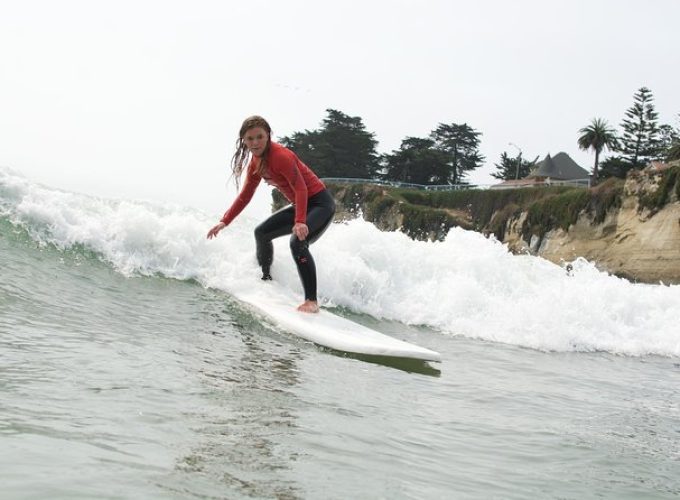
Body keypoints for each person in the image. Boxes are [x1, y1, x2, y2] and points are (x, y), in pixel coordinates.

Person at [207, 116, 335, 313]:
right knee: (262, 232)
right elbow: (245, 196)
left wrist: (300, 221)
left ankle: (311, 301)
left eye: (259, 137)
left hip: (320, 204)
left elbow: (301, 188)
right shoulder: (255, 164)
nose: (255, 142)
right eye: (250, 139)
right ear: (244, 140)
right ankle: (265, 280)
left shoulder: (281, 157)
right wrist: (225, 221)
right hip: (302, 205)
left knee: (297, 242)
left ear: (268, 135)